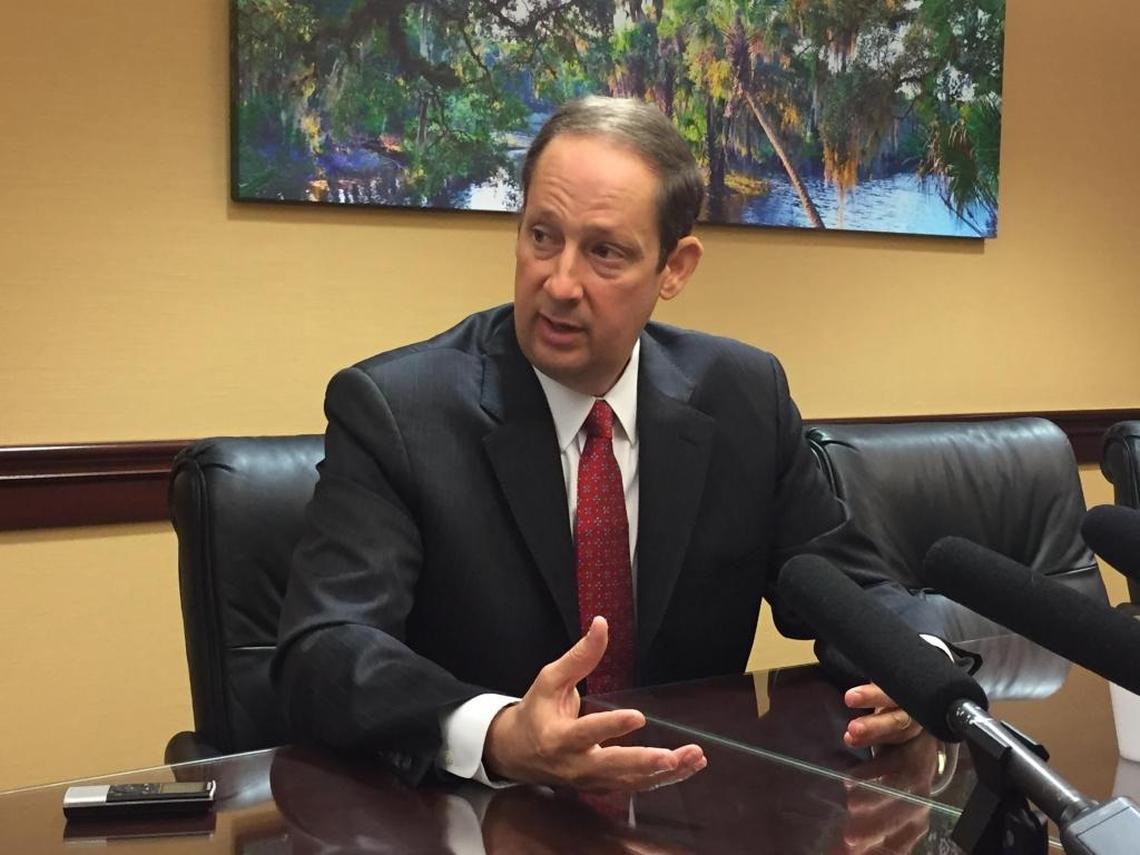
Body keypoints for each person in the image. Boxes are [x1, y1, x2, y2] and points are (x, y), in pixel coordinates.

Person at [273, 96, 939, 794]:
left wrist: (913, 666)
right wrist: (496, 731)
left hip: (691, 812)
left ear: (674, 268)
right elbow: (324, 648)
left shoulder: (744, 397)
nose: (560, 284)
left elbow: (850, 585)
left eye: (604, 252)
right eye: (541, 236)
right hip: (475, 819)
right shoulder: (399, 411)